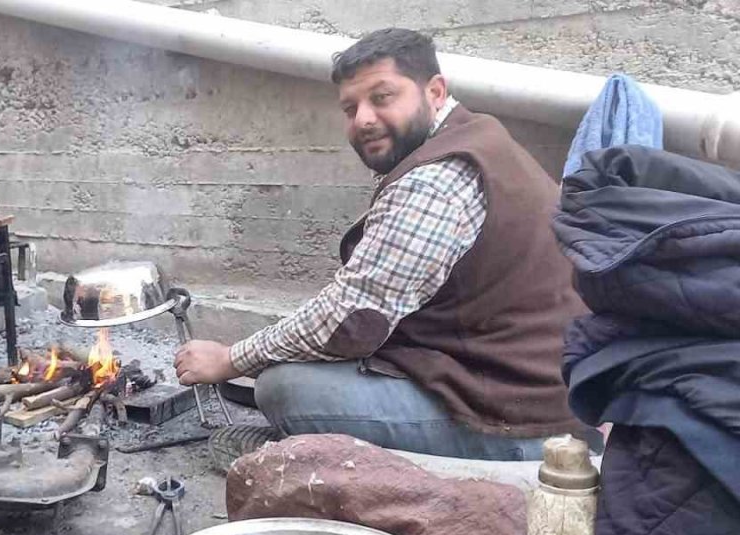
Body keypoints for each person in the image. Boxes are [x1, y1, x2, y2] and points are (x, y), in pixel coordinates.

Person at [175, 28, 591, 462]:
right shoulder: (474, 135)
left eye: (382, 97)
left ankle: (452, 467)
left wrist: (230, 359)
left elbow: (351, 318)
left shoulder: (437, 180)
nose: (363, 120)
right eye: (350, 108)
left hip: (524, 421)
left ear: (434, 91)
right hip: (513, 379)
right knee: (306, 357)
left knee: (282, 388)